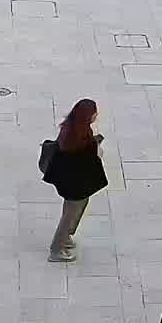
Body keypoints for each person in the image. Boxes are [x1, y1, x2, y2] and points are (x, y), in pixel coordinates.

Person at [42, 98, 108, 262]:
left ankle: (65, 237)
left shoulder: (69, 127)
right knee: (70, 214)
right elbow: (90, 158)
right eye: (94, 113)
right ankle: (57, 249)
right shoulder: (81, 139)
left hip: (67, 181)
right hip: (76, 184)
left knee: (71, 210)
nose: (96, 116)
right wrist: (96, 147)